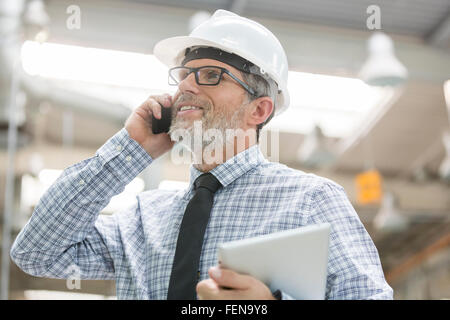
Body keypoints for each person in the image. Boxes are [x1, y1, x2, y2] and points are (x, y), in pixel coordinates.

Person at [10, 9, 393, 300]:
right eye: (184, 74)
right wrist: (131, 150)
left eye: (211, 75)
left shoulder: (310, 201)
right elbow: (37, 253)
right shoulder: (144, 219)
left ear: (259, 110)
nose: (186, 86)